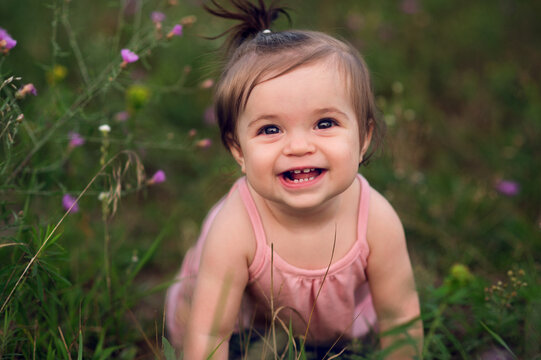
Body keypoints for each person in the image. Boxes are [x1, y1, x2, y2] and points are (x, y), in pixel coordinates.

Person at [165, 0, 423, 358]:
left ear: (363, 138)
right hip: (250, 333)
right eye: (271, 129)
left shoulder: (376, 219)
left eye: (325, 123)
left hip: (339, 335)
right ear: (238, 151)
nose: (299, 146)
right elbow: (209, 335)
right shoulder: (236, 227)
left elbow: (400, 319)